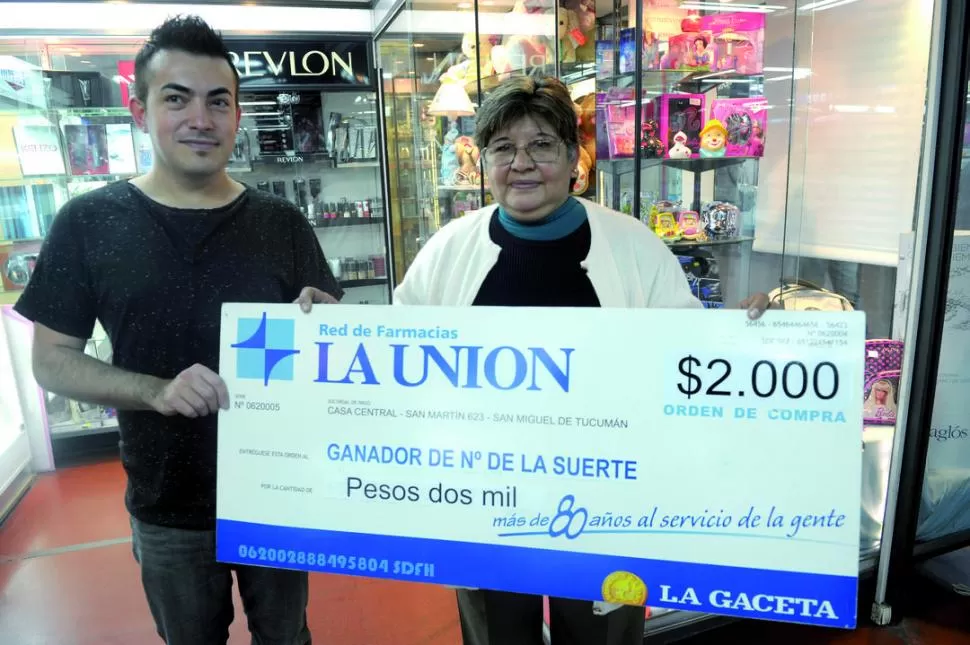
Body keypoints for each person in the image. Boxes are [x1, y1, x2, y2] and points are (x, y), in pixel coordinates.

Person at [393, 76, 769, 645]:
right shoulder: (448, 250)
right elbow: (394, 352)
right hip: (482, 497)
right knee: (497, 632)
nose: (522, 163)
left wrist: (746, 339)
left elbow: (688, 350)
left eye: (542, 144)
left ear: (574, 156)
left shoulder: (631, 245)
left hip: (607, 500)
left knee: (605, 635)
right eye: (503, 148)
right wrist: (320, 328)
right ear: (485, 161)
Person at [14, 16, 339, 645]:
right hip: (167, 505)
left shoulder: (283, 224)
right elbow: (51, 361)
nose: (201, 118)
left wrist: (326, 331)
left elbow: (323, 347)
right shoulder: (89, 222)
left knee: (287, 636)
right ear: (139, 112)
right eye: (177, 98)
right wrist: (155, 391)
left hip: (278, 490)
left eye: (219, 101)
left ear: (238, 115)